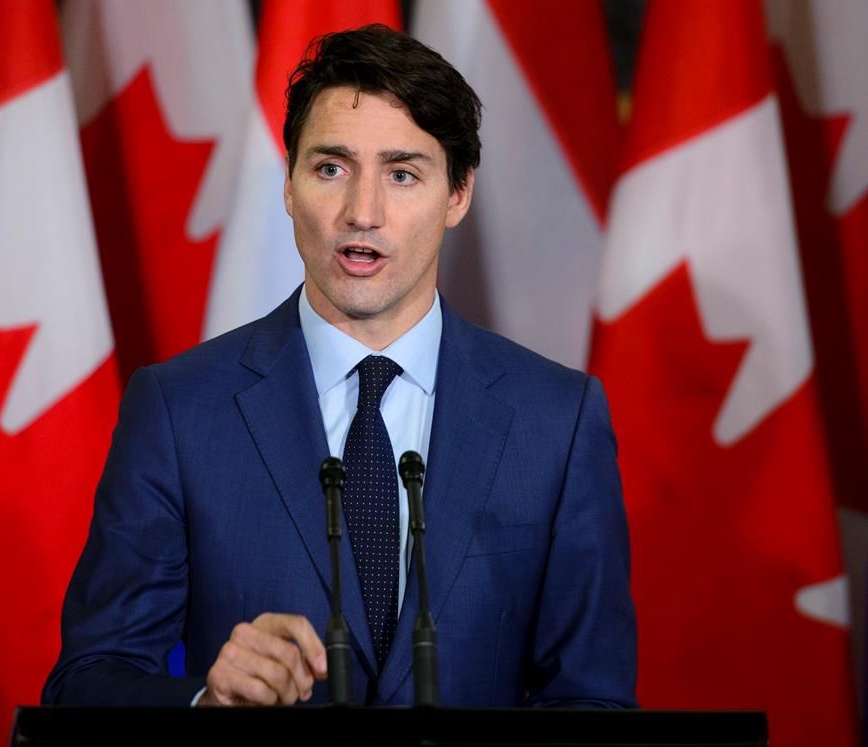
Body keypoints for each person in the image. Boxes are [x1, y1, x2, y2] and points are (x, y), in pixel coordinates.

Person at [42, 24, 636, 709]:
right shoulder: (179, 411)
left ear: (458, 194)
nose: (363, 212)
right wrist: (207, 702)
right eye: (331, 168)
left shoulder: (556, 423)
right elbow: (85, 686)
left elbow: (594, 706)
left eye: (403, 173)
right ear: (289, 184)